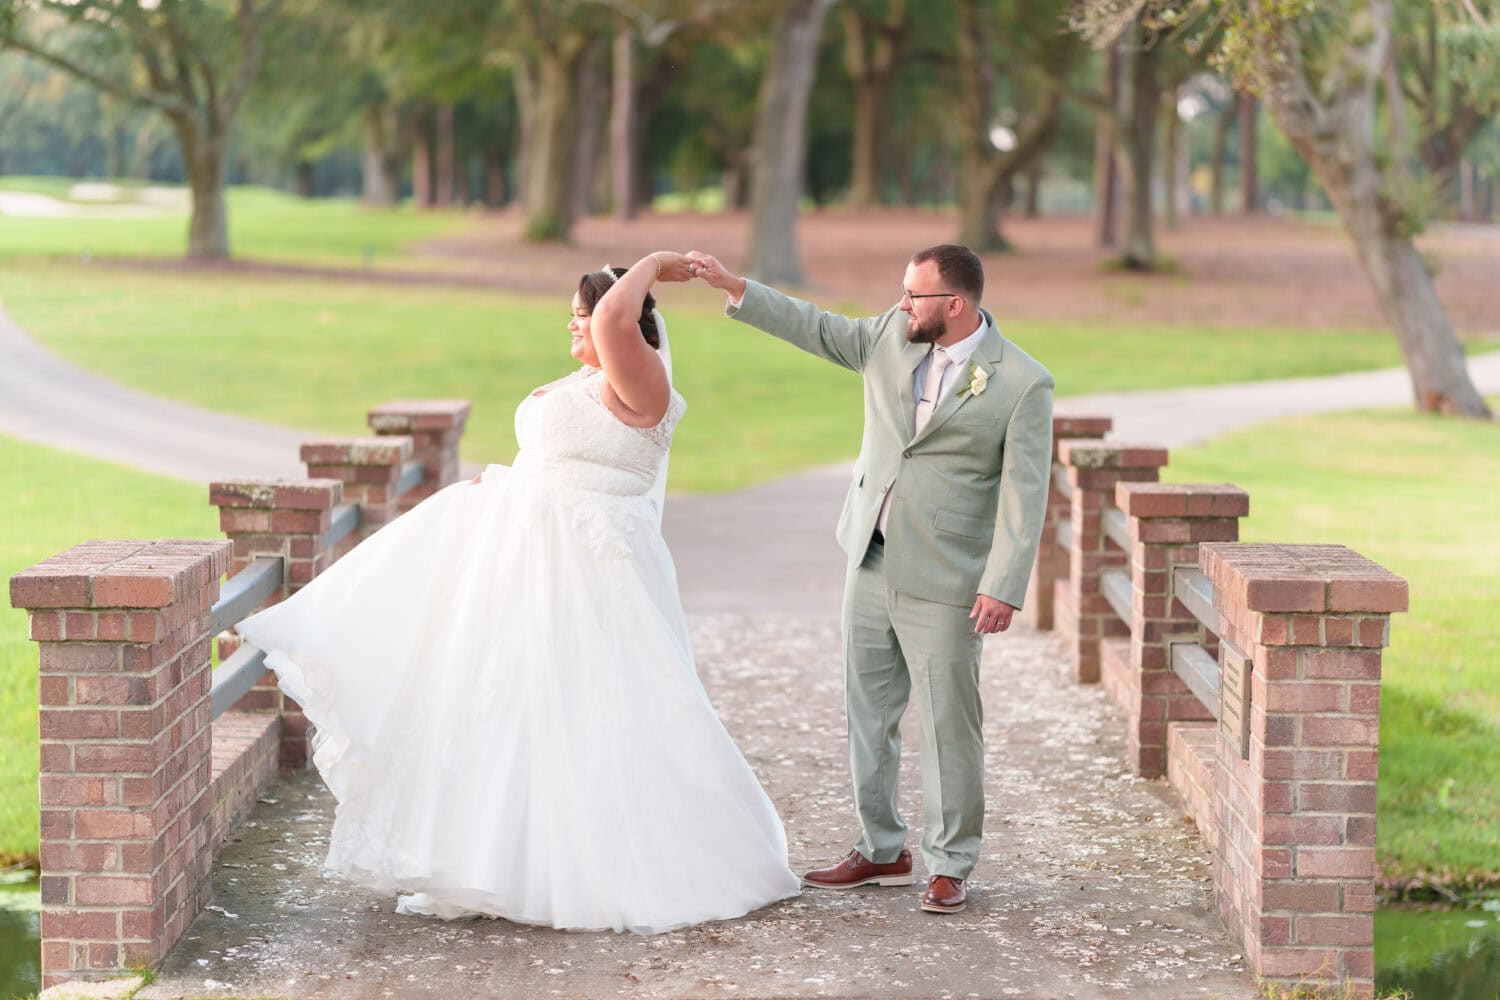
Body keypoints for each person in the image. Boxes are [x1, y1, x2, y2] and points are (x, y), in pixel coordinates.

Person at [235, 252, 801, 933]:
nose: (572, 326)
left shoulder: (641, 378)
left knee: (596, 708)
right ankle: (503, 865)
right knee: (514, 708)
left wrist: (655, 265)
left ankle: (613, 865)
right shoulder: (590, 376)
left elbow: (619, 317)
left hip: (590, 568)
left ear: (618, 319)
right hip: (527, 561)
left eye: (580, 316)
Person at [686, 244, 1054, 915]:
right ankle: (883, 850)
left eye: (916, 295)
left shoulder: (1022, 383)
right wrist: (735, 285)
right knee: (868, 715)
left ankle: (950, 864)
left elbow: (1025, 496)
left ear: (955, 305)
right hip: (871, 556)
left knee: (948, 725)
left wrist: (1003, 582)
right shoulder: (891, 333)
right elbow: (820, 328)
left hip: (947, 577)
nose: (902, 302)